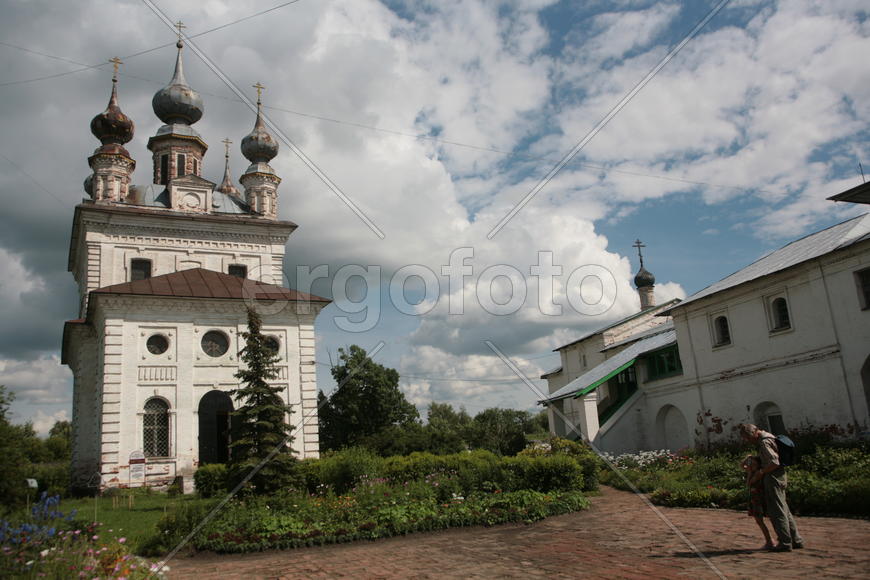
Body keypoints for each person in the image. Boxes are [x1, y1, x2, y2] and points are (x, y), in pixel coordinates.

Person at [739, 423, 804, 552]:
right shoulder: (769, 436)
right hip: (779, 475)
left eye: (748, 438)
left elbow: (774, 461)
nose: (748, 441)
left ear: (754, 433)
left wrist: (761, 472)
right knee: (784, 509)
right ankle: (796, 540)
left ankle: (785, 542)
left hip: (773, 477)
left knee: (776, 511)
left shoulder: (764, 442)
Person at [741, 455, 773, 549]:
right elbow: (742, 465)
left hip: (759, 498)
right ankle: (769, 540)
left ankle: (770, 541)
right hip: (754, 498)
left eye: (754, 464)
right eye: (752, 464)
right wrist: (747, 457)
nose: (752, 465)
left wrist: (749, 473)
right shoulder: (753, 471)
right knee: (758, 520)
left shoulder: (758, 473)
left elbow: (749, 483)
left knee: (760, 520)